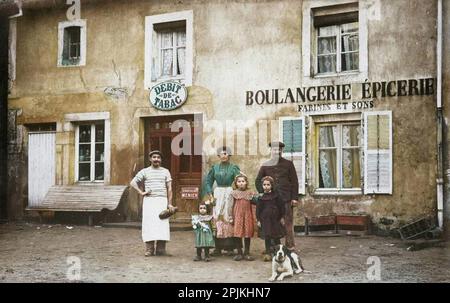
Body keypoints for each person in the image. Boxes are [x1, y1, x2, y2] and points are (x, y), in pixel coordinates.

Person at [255, 141, 299, 251]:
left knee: (288, 222)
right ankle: (272, 247)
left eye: (279, 150)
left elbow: (294, 182)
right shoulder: (265, 165)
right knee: (272, 223)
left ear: (281, 151)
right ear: (271, 150)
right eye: (274, 149)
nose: (277, 151)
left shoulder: (288, 164)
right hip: (271, 201)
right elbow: (257, 181)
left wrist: (294, 198)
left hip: (286, 198)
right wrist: (263, 193)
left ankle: (290, 246)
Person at [130, 150, 175, 257]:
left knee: (162, 224)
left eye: (158, 157)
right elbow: (133, 182)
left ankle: (160, 249)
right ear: (150, 159)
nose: (156, 159)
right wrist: (141, 192)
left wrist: (169, 204)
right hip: (149, 201)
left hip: (162, 200)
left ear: (161, 160)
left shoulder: (165, 171)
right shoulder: (145, 171)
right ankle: (149, 249)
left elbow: (169, 188)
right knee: (149, 224)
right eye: (154, 157)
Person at [203, 146, 241, 256]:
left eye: (226, 154)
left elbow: (239, 180)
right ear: (218, 156)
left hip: (229, 193)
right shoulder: (215, 168)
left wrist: (238, 192)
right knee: (217, 217)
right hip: (218, 193)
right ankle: (218, 248)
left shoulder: (234, 168)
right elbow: (208, 182)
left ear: (229, 155)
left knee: (228, 217)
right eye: (221, 154)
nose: (224, 156)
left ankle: (230, 247)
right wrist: (210, 194)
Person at [256, 176, 285, 262]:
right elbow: (258, 209)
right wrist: (258, 220)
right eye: (264, 185)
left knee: (276, 236)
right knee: (267, 235)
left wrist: (282, 217)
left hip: (275, 219)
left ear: (271, 185)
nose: (266, 186)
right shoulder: (261, 197)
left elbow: (281, 207)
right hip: (265, 220)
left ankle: (280, 252)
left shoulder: (276, 196)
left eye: (268, 184)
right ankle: (268, 252)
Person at [230, 174, 256, 261]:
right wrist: (231, 216)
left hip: (247, 215)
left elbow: (253, 205)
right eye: (239, 181)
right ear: (236, 183)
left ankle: (247, 252)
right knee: (238, 233)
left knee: (247, 233)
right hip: (237, 215)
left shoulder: (250, 193)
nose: (241, 183)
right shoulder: (234, 193)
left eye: (243, 181)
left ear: (246, 182)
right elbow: (231, 206)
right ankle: (239, 253)